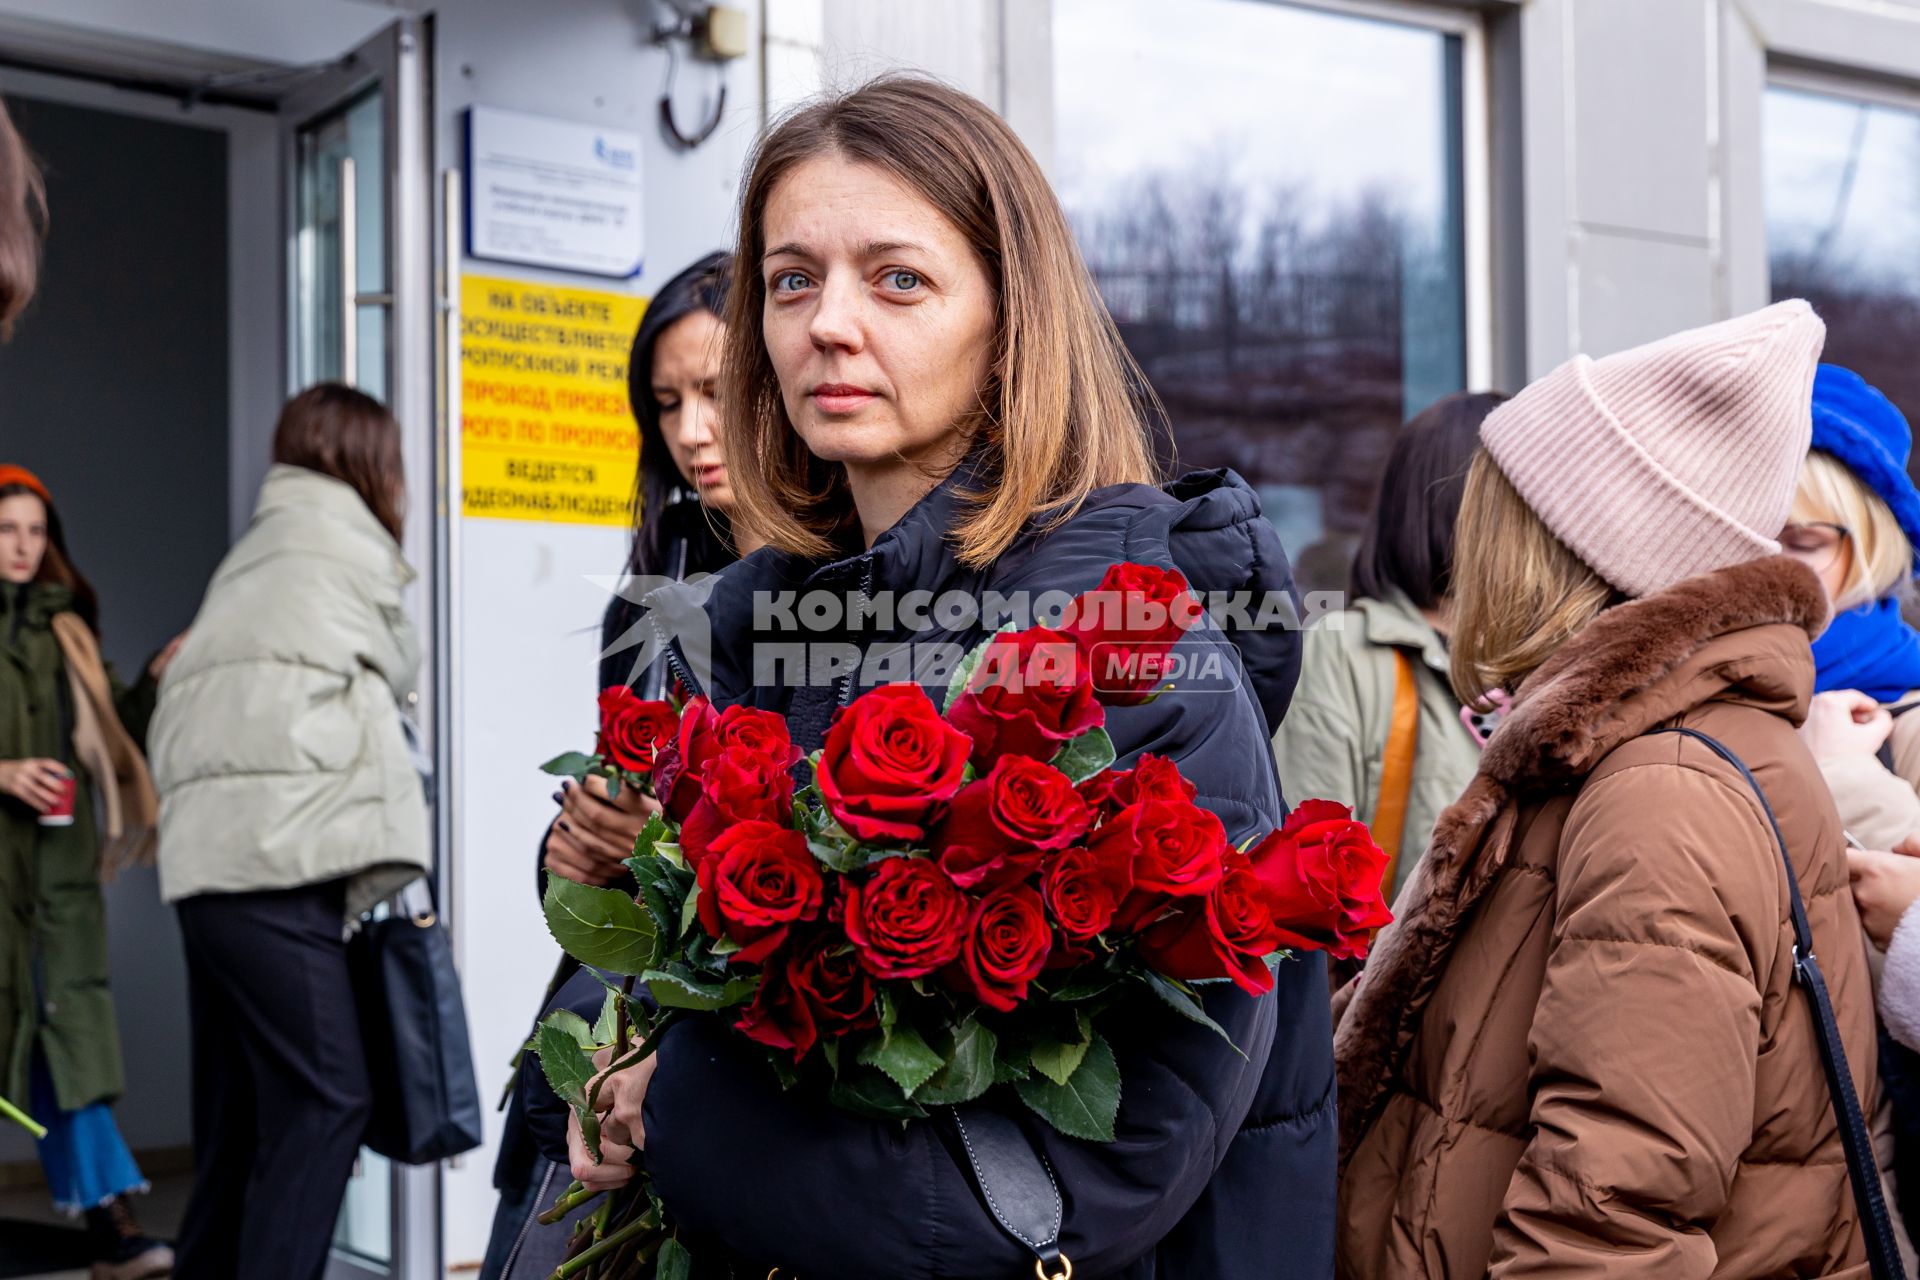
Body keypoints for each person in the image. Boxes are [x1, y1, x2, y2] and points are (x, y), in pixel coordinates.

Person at [543, 74, 1327, 1278]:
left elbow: (1075, 1188)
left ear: (1012, 320)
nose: (829, 325)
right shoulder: (745, 636)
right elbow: (687, 999)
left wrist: (685, 1112)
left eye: (897, 278)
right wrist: (625, 1066)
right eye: (793, 279)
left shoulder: (1137, 657)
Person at [1336, 301, 1880, 1276]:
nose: (1467, 547)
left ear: (1555, 548)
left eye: (1490, 514)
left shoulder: (1658, 791)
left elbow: (1607, 1236)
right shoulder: (1632, 748)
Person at [480, 252, 744, 1280]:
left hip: (724, 1063)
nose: (689, 430)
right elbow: (592, 863)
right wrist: (570, 845)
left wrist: (668, 851)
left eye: (716, 393)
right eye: (668, 402)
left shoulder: (843, 596)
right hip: (595, 1023)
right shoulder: (647, 601)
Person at [149, 384, 430, 1280]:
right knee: (327, 1103)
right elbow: (402, 667)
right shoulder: (343, 547)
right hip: (278, 867)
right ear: (373, 464)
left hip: (207, 875)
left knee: (241, 1122)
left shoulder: (254, 554)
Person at [0, 465, 175, 1279]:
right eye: (8, 529)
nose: (24, 546)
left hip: (60, 889)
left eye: (36, 531)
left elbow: (116, 734)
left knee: (72, 1051)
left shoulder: (67, 629)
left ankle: (113, 1228)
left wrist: (151, 684)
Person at [1272, 391, 1504, 904]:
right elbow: (1308, 897)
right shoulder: (1343, 656)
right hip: (1397, 979)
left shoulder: (1558, 660)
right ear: (1468, 500)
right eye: (1525, 492)